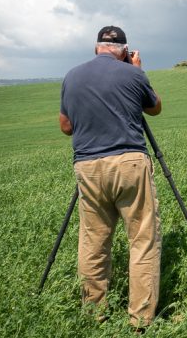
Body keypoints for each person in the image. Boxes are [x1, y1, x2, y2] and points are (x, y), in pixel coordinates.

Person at [59, 26, 163, 329]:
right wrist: (139, 71)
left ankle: (94, 315)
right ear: (125, 52)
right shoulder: (133, 74)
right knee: (143, 240)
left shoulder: (71, 76)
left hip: (88, 167)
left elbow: (66, 127)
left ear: (96, 49)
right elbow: (154, 108)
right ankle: (140, 322)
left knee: (93, 243)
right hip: (130, 163)